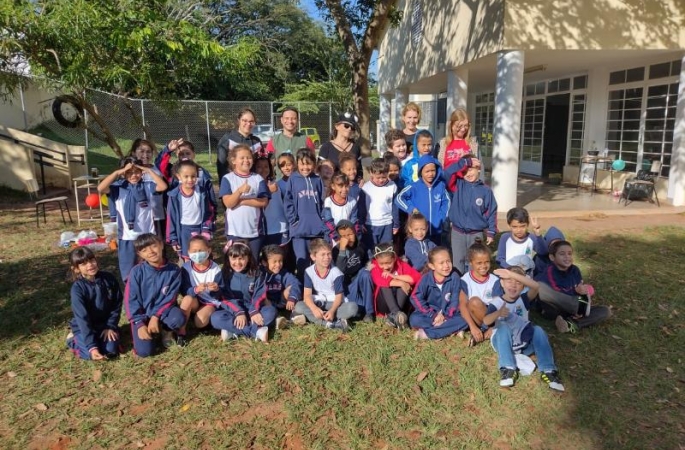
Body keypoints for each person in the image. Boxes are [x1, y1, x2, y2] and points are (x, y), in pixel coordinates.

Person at [483, 267, 565, 392]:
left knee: (537, 329)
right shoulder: (496, 302)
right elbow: (486, 321)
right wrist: (498, 313)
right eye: (509, 281)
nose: (513, 285)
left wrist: (511, 274)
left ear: (523, 286)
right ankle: (508, 368)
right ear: (502, 283)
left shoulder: (524, 299)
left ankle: (548, 370)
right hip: (503, 344)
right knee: (503, 326)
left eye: (518, 282)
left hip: (523, 344)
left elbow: (536, 286)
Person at [98, 157, 167, 281]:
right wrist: (117, 172)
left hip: (147, 236)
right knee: (129, 272)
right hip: (127, 236)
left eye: (137, 171)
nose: (133, 175)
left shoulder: (147, 186)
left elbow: (162, 186)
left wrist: (148, 171)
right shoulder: (118, 188)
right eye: (129, 172)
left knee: (151, 268)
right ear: (123, 173)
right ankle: (132, 294)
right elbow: (101, 188)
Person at [125, 233, 187, 357]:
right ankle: (148, 329)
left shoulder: (174, 270)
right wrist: (139, 323)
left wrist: (156, 316)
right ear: (140, 254)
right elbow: (130, 300)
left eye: (153, 246)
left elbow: (171, 298)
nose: (151, 252)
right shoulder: (136, 272)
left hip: (163, 313)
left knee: (178, 318)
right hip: (142, 315)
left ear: (161, 245)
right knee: (145, 352)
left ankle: (166, 330)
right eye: (144, 250)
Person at [534, 240, 612, 333]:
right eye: (562, 254)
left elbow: (580, 289)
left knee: (605, 311)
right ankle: (578, 308)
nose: (567, 257)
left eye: (570, 253)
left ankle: (569, 325)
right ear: (552, 257)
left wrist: (581, 295)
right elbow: (556, 291)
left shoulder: (575, 270)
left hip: (573, 306)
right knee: (540, 287)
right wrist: (576, 297)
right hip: (555, 308)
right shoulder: (550, 271)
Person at [66, 247, 122, 360]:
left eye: (91, 260)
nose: (90, 265)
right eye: (83, 264)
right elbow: (82, 318)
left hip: (104, 325)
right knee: (90, 354)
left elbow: (117, 304)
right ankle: (73, 340)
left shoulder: (108, 278)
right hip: (85, 327)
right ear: (76, 269)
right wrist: (92, 346)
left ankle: (108, 337)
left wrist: (110, 326)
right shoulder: (77, 289)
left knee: (110, 351)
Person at [444, 156, 498, 274]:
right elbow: (446, 173)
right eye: (464, 171)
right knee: (458, 262)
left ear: (478, 168)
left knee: (474, 262)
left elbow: (491, 211)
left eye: (471, 169)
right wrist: (464, 162)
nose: (468, 174)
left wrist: (491, 231)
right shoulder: (457, 185)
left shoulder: (486, 190)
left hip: (476, 233)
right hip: (457, 233)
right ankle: (459, 287)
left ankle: (472, 286)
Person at [211, 241, 272, 342]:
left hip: (254, 309)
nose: (238, 263)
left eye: (241, 258)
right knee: (215, 318)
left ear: (248, 258)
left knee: (270, 312)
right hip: (233, 311)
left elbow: (260, 294)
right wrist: (238, 312)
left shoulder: (257, 273)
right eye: (233, 258)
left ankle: (233, 330)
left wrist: (254, 310)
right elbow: (224, 298)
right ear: (228, 259)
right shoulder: (223, 275)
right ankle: (256, 331)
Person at [292, 239, 358, 331]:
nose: (327, 257)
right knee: (299, 306)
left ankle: (313, 317)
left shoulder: (336, 272)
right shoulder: (309, 272)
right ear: (313, 257)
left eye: (329, 254)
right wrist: (314, 308)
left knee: (352, 308)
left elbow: (339, 297)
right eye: (323, 254)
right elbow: (307, 295)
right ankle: (331, 324)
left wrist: (332, 311)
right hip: (318, 301)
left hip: (334, 303)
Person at [219, 144, 270, 261]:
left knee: (253, 263)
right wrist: (239, 191)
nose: (246, 160)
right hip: (235, 232)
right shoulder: (228, 178)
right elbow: (228, 203)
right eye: (242, 158)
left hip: (255, 233)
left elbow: (263, 202)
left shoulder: (258, 178)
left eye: (249, 157)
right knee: (237, 263)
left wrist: (242, 201)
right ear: (234, 161)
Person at [283, 148, 326, 278]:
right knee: (302, 262)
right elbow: (288, 201)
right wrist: (293, 220)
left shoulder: (317, 180)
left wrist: (322, 219)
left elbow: (323, 201)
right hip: (299, 230)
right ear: (297, 164)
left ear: (314, 164)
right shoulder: (293, 179)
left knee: (318, 262)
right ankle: (302, 292)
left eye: (308, 163)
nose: (305, 167)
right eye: (302, 164)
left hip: (317, 230)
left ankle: (317, 290)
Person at [410, 247, 469, 340]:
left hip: (450, 314)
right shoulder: (426, 278)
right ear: (432, 266)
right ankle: (451, 329)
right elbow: (416, 297)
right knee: (414, 319)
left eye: (448, 261)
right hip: (431, 314)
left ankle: (429, 334)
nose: (446, 265)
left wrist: (446, 316)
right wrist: (433, 315)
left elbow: (455, 300)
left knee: (464, 319)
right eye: (441, 263)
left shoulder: (454, 277)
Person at [166, 160, 216, 261]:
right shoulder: (174, 195)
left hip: (200, 229)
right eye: (186, 176)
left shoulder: (202, 192)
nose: (190, 179)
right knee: (188, 259)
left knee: (203, 257)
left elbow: (209, 213)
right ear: (179, 176)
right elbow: (171, 217)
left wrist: (206, 228)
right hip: (184, 231)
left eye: (193, 176)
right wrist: (173, 238)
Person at [396, 155, 449, 246]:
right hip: (420, 232)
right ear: (421, 172)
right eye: (427, 171)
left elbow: (446, 202)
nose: (430, 174)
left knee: (436, 254)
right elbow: (399, 198)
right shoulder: (414, 187)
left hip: (436, 229)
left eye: (433, 170)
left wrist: (442, 217)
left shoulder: (440, 186)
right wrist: (412, 209)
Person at [178, 235, 224, 337]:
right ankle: (181, 331)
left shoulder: (216, 269)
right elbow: (183, 290)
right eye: (194, 251)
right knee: (187, 299)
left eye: (201, 250)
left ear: (209, 250)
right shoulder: (186, 268)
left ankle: (202, 316)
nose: (197, 254)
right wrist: (195, 290)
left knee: (200, 323)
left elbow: (221, 292)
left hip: (209, 302)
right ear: (189, 252)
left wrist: (216, 289)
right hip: (194, 300)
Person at [459, 243, 503, 346]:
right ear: (470, 263)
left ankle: (490, 329)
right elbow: (462, 304)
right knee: (473, 302)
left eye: (486, 262)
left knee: (475, 302)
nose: (483, 266)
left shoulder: (495, 280)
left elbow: (499, 305)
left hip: (490, 316)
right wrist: (472, 326)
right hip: (474, 315)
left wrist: (494, 326)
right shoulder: (465, 279)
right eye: (479, 263)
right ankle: (478, 330)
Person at [370, 242, 421, 328]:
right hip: (383, 304)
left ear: (394, 258)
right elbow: (380, 281)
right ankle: (396, 313)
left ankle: (394, 317)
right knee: (386, 285)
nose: (385, 267)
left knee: (404, 284)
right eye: (381, 264)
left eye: (388, 263)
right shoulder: (375, 266)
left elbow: (416, 277)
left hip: (401, 303)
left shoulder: (401, 264)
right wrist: (401, 282)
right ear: (376, 260)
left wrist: (395, 276)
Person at [332, 220, 374, 322]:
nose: (348, 238)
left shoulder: (361, 246)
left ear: (355, 233)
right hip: (347, 284)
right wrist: (342, 249)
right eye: (344, 236)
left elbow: (368, 263)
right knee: (356, 310)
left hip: (359, 278)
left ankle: (370, 312)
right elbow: (339, 271)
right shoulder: (336, 250)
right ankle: (361, 309)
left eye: (350, 234)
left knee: (365, 273)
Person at [252, 245, 302, 329]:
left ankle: (294, 314)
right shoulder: (259, 273)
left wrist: (292, 297)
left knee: (291, 288)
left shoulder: (284, 273)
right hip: (266, 303)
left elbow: (295, 283)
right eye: (274, 262)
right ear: (264, 262)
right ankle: (277, 319)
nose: (278, 264)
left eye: (280, 261)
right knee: (262, 295)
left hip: (281, 301)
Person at [217, 108, 267, 180]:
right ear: (239, 121)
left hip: (252, 182)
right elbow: (221, 165)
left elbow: (261, 165)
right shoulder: (228, 138)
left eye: (251, 121)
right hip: (233, 183)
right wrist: (224, 185)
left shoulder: (257, 142)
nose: (248, 124)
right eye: (245, 121)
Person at [361, 158, 399, 254]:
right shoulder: (366, 188)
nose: (381, 180)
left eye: (384, 177)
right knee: (371, 251)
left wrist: (396, 224)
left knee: (386, 251)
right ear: (371, 173)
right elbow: (361, 207)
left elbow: (395, 206)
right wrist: (361, 222)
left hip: (387, 224)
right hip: (370, 225)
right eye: (378, 178)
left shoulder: (392, 186)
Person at [265, 106, 315, 173]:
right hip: (281, 181)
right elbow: (268, 164)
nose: (290, 121)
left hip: (301, 181)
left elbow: (313, 163)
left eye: (293, 118)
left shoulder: (306, 140)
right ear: (282, 120)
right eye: (287, 118)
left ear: (297, 120)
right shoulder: (274, 141)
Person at [496, 207, 547, 271]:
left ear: (527, 225)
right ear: (509, 226)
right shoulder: (505, 238)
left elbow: (543, 252)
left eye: (522, 226)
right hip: (509, 273)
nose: (519, 230)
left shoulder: (531, 238)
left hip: (526, 274)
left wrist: (538, 235)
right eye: (515, 227)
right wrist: (513, 269)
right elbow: (500, 258)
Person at [255, 156, 289, 247]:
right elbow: (257, 206)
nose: (263, 169)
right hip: (264, 230)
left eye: (266, 166)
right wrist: (269, 192)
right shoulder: (253, 185)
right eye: (259, 167)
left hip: (281, 228)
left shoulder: (275, 183)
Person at [323, 173, 358, 244]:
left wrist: (351, 236)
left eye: (346, 186)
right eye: (341, 186)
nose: (344, 189)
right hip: (333, 239)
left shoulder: (352, 201)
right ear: (333, 186)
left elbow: (354, 221)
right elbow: (328, 222)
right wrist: (336, 237)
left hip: (348, 238)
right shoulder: (328, 201)